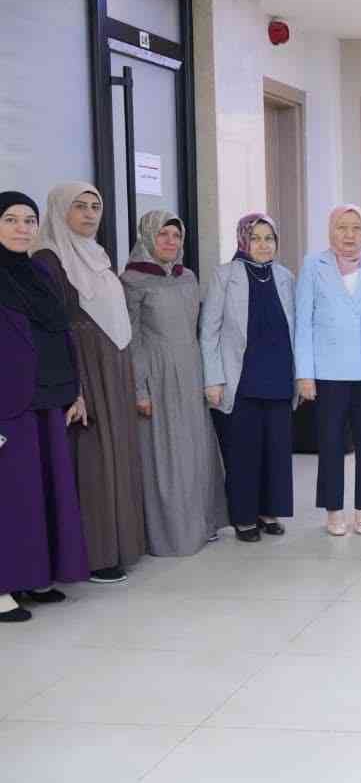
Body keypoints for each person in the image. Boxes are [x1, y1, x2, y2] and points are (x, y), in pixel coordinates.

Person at [31, 182, 145, 582]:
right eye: (79, 206)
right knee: (92, 456)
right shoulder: (48, 258)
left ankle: (122, 544)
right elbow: (54, 326)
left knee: (117, 451)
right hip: (82, 367)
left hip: (112, 364)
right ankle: (96, 553)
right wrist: (74, 385)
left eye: (95, 206)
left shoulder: (98, 255)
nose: (89, 214)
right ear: (60, 211)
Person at [0, 191, 90, 623]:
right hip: (8, 403)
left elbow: (60, 334)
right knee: (11, 498)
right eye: (11, 219)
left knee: (41, 494)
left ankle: (34, 577)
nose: (22, 228)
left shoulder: (38, 272)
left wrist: (76, 391)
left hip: (48, 398)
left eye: (29, 220)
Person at [122, 210, 227, 555]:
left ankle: (202, 524)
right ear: (147, 237)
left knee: (196, 451)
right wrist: (140, 388)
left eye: (176, 235)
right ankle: (171, 535)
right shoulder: (133, 280)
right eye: (162, 234)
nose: (170, 241)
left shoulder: (188, 277)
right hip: (159, 375)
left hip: (191, 371)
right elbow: (132, 339)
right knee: (168, 454)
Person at [294, 205, 361, 537]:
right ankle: (333, 508)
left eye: (356, 228)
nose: (349, 235)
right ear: (331, 230)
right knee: (330, 442)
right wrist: (304, 373)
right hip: (327, 372)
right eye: (342, 227)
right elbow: (303, 323)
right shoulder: (313, 266)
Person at [200, 214, 296, 542]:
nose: (263, 245)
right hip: (240, 380)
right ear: (243, 240)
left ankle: (269, 511)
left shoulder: (285, 276)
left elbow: (295, 329)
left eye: (269, 238)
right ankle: (244, 517)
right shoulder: (225, 275)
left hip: (279, 379)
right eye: (255, 238)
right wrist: (213, 379)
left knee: (276, 452)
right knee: (244, 454)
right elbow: (209, 331)